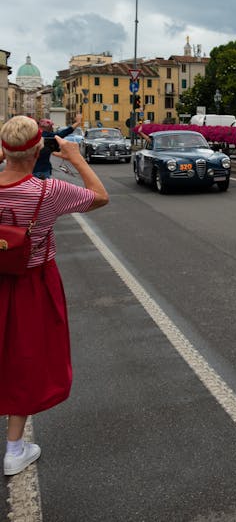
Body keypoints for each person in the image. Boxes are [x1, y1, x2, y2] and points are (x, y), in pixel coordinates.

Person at [0, 115, 109, 476]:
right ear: (38, 149)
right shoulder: (48, 193)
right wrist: (76, 159)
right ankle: (14, 449)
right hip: (32, 282)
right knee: (25, 359)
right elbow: (100, 197)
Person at [33, 113, 83, 179]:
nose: (52, 128)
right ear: (48, 127)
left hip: (29, 170)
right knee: (44, 188)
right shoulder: (49, 136)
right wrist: (78, 122)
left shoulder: (31, 135)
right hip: (43, 170)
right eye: (51, 127)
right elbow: (65, 132)